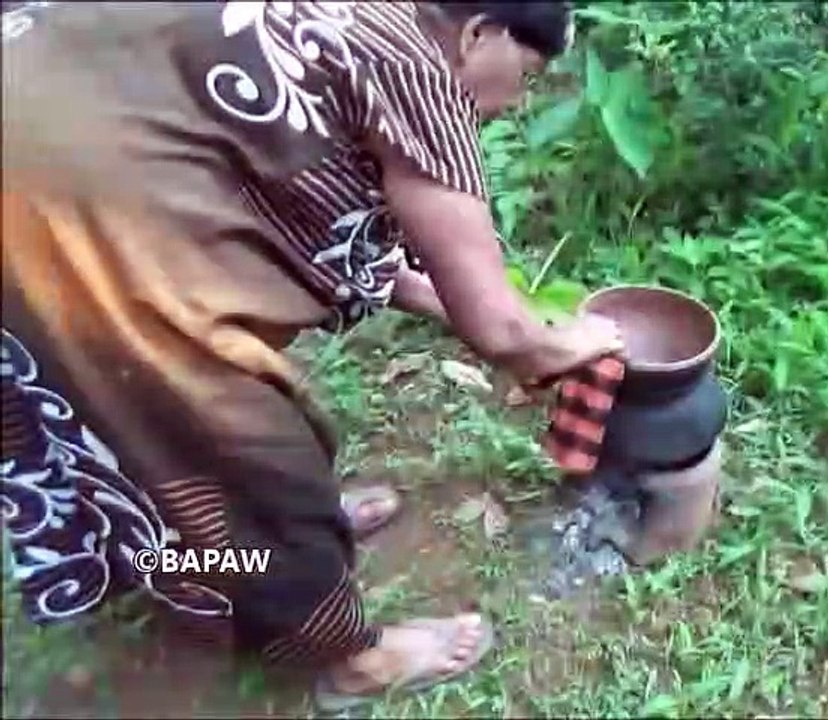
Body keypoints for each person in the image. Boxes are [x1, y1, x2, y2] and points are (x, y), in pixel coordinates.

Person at [1, 0, 622, 710]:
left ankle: (177, 559)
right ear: (479, 32)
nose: (518, 103)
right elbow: (504, 333)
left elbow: (270, 191)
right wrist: (572, 340)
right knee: (256, 465)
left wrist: (491, 316)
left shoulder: (348, 19)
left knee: (111, 421)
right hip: (57, 226)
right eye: (530, 75)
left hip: (35, 135)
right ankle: (344, 655)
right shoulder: (414, 66)